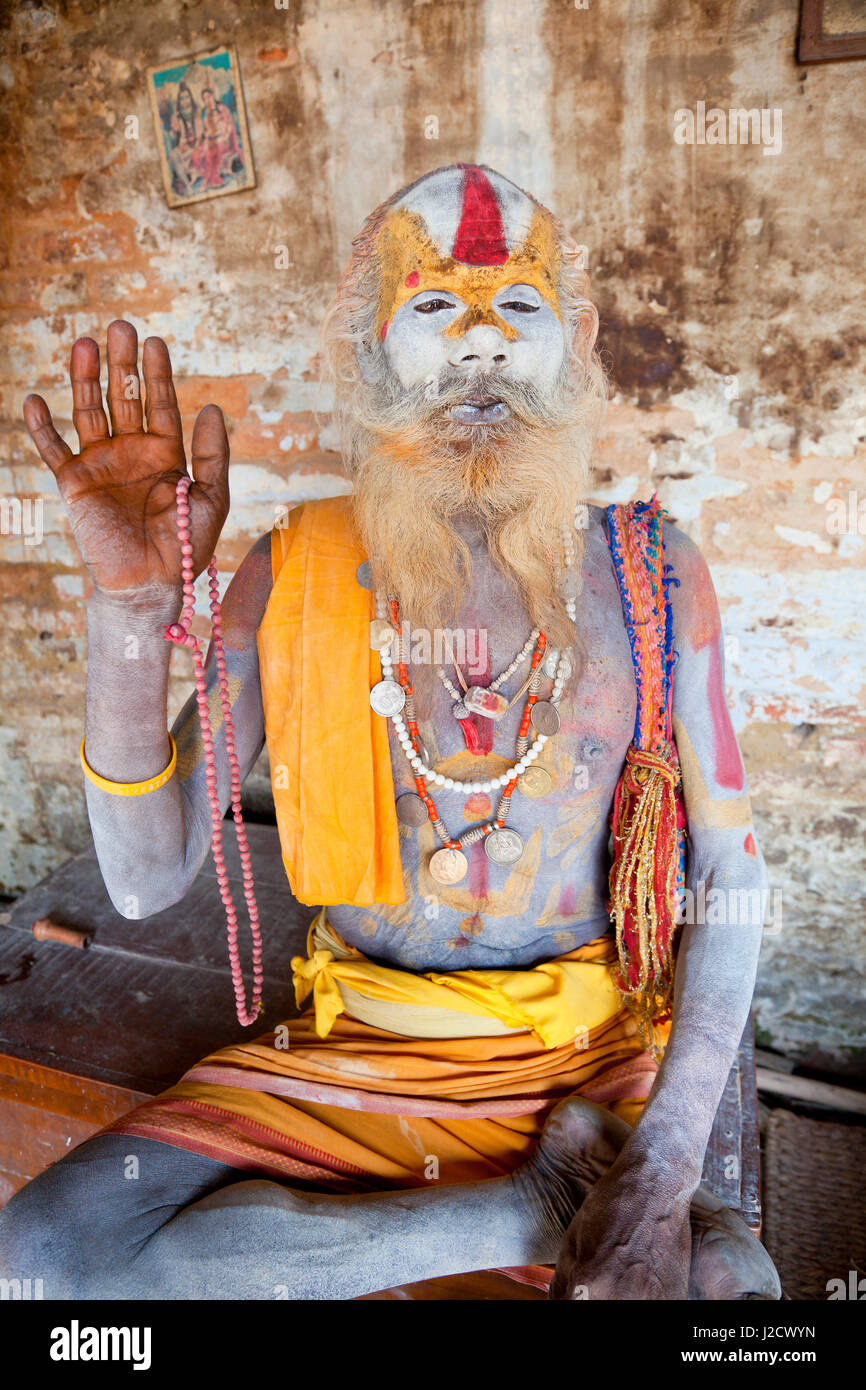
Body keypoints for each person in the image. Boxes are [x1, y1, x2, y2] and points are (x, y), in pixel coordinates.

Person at [1, 164, 780, 1300]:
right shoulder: (298, 568)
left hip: (581, 1062)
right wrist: (127, 616)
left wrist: (658, 1168)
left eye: (517, 308)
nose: (480, 353)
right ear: (372, 351)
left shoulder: (654, 569)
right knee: (35, 1267)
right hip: (354, 1045)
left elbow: (732, 871)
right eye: (432, 311)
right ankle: (526, 1208)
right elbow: (137, 879)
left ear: (575, 336)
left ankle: (557, 1193)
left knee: (732, 1294)